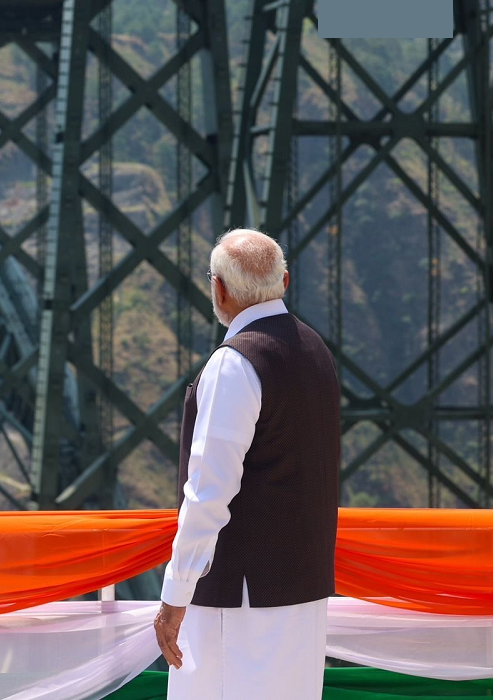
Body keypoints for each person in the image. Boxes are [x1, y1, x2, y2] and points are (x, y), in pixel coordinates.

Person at [153, 228, 340, 699]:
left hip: (237, 600)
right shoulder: (317, 351)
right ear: (286, 281)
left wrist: (175, 596)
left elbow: (207, 495)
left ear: (219, 289)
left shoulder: (234, 364)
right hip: (301, 590)